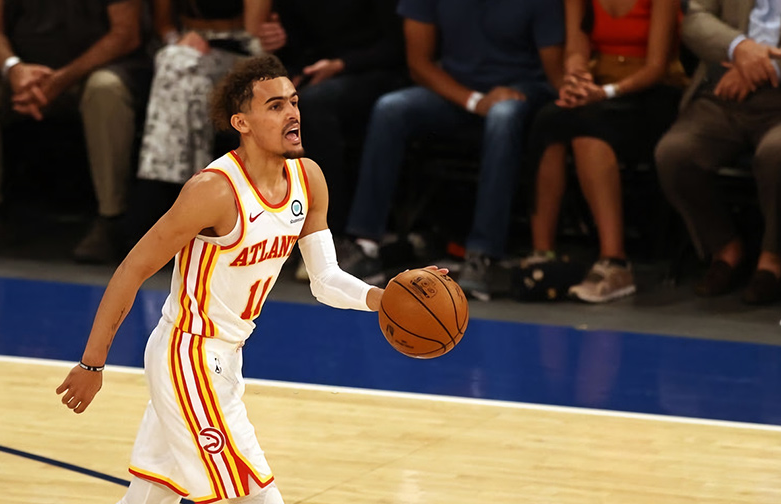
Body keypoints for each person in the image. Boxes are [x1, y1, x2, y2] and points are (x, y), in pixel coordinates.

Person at [0, 55, 420, 504]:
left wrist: (382, 298)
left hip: (225, 360)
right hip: (188, 357)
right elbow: (133, 268)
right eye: (276, 104)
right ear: (240, 121)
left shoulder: (308, 179)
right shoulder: (214, 191)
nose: (293, 112)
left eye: (295, 100)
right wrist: (92, 362)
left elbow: (327, 279)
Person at [343, 0, 564, 300]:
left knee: (503, 116)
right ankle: (365, 244)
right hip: (455, 91)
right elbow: (418, 65)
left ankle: (483, 254)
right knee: (390, 108)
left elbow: (555, 73)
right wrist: (474, 100)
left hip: (520, 91)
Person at [0, 0, 151, 254]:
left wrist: (61, 79)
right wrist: (14, 69)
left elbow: (125, 35)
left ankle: (112, 219)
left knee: (106, 90)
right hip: (24, 68)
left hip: (96, 66)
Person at [526, 0, 687, 303]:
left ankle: (615, 262)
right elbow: (577, 45)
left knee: (589, 128)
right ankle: (542, 255)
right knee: (549, 120)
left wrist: (606, 92)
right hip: (599, 88)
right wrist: (576, 76)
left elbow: (657, 66)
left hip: (652, 92)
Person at [655, 0, 781, 306]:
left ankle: (774, 259)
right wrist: (739, 48)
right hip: (724, 91)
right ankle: (725, 247)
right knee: (675, 154)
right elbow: (695, 19)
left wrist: (765, 67)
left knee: (779, 154)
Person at [266, 0, 408, 282]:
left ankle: (328, 234)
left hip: (377, 72)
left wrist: (342, 65)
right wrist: (288, 61)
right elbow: (294, 42)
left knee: (313, 107)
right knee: (267, 99)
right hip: (319, 72)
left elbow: (398, 47)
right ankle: (271, 229)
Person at [124, 0, 282, 253]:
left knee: (179, 67)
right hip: (185, 48)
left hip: (244, 49)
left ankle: (161, 204)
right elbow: (163, 24)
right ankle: (196, 209)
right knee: (181, 68)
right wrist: (178, 39)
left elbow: (254, 32)